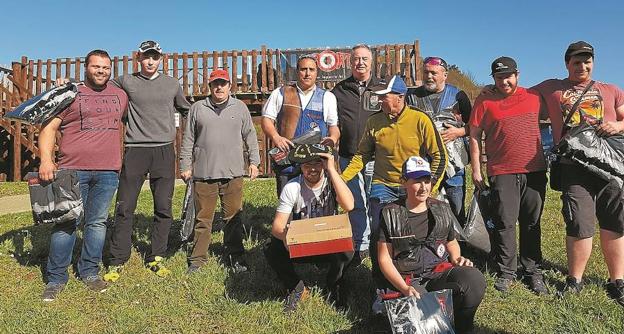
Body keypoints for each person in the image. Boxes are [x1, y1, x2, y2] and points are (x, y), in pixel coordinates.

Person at [532, 41, 624, 306]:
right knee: (578, 223)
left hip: (610, 167)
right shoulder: (551, 88)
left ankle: (617, 281)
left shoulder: (611, 90)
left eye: (587, 61)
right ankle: (575, 280)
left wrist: (617, 125)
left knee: (615, 222)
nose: (582, 66)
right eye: (576, 62)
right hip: (573, 167)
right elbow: (517, 97)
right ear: (567, 64)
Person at [341, 74, 447, 288]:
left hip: (414, 186)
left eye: (384, 97)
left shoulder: (420, 119)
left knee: (415, 233)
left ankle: (417, 277)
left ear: (400, 96)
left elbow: (439, 155)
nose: (379, 101)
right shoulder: (374, 121)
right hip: (383, 185)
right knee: (379, 232)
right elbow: (362, 155)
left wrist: (430, 185)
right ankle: (380, 282)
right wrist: (342, 179)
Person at [38, 50, 128, 301]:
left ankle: (89, 271)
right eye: (96, 67)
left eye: (106, 68)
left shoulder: (120, 95)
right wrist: (46, 159)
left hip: (108, 170)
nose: (101, 71)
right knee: (66, 222)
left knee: (97, 223)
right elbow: (49, 128)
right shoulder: (69, 94)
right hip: (72, 170)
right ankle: (55, 278)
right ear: (85, 67)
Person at [105, 40, 191, 281]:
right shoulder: (126, 81)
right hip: (135, 150)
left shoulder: (172, 84)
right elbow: (98, 87)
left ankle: (157, 256)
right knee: (125, 206)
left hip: (164, 150)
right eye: (146, 57)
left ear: (161, 59)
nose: (150, 61)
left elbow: (187, 109)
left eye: (155, 57)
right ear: (138, 58)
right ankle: (117, 259)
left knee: (163, 207)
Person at [378, 156, 485, 334]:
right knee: (425, 326)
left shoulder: (442, 208)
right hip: (408, 280)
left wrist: (457, 258)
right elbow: (384, 259)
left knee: (474, 279)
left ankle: (463, 326)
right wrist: (404, 288)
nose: (423, 187)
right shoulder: (389, 213)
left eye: (427, 181)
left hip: (438, 274)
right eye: (417, 181)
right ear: (404, 182)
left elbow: (451, 242)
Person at [469, 56, 548, 294]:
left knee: (531, 222)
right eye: (499, 77)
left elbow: (559, 101)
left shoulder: (534, 97)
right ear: (493, 78)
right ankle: (507, 271)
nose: (505, 81)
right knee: (504, 222)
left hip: (533, 169)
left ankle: (532, 270)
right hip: (501, 170)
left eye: (509, 76)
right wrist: (475, 168)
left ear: (518, 75)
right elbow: (474, 135)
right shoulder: (484, 101)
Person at [180, 69, 260, 273]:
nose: (219, 87)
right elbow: (188, 138)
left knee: (233, 218)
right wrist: (185, 165)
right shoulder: (197, 108)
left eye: (223, 83)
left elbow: (250, 135)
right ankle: (198, 259)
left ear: (229, 85)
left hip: (233, 173)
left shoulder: (240, 107)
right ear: (210, 86)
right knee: (203, 219)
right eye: (215, 83)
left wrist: (254, 162)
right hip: (204, 173)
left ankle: (236, 257)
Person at [264, 144, 354, 311]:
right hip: (302, 243)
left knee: (348, 245)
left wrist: (332, 170)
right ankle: (296, 287)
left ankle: (333, 284)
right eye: (307, 165)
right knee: (272, 247)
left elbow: (349, 205)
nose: (312, 169)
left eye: (317, 164)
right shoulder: (292, 187)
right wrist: (285, 239)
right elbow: (277, 226)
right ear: (301, 167)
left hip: (327, 242)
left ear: (323, 164)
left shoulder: (332, 182)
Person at [331, 44, 382, 263]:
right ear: (349, 62)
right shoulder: (339, 90)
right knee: (355, 203)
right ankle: (360, 245)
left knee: (376, 200)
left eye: (364, 58)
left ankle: (379, 242)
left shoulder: (382, 87)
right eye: (356, 59)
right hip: (348, 155)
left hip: (375, 156)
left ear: (371, 62)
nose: (360, 62)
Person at [261, 56, 340, 196]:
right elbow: (266, 120)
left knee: (316, 207)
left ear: (317, 73)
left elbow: (334, 127)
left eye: (311, 69)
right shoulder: (280, 93)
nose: (307, 73)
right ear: (297, 72)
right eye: (303, 69)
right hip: (288, 162)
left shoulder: (327, 97)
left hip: (315, 163)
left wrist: (332, 139)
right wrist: (276, 137)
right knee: (288, 206)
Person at [406, 56, 472, 225]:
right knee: (421, 203)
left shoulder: (459, 95)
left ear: (445, 75)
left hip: (454, 162)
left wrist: (459, 131)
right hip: (423, 161)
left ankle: (459, 245)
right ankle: (427, 243)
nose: (429, 76)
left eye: (434, 73)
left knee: (456, 204)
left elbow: (475, 125)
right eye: (426, 72)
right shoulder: (411, 96)